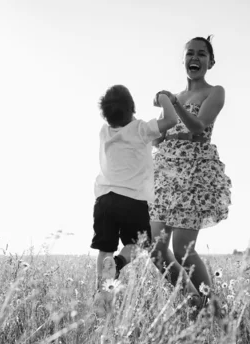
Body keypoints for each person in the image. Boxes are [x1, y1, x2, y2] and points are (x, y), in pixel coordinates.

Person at [91, 84, 201, 315]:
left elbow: (117, 119)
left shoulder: (104, 131)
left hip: (104, 201)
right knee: (138, 244)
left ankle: (103, 296)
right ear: (132, 109)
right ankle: (120, 264)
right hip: (132, 200)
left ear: (106, 114)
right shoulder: (141, 129)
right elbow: (170, 121)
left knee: (104, 249)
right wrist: (163, 99)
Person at [150, 36, 232, 301]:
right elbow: (158, 138)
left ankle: (211, 306)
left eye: (201, 54)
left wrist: (172, 103)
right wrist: (147, 126)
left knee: (183, 247)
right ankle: (192, 302)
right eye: (190, 54)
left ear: (211, 61)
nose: (195, 58)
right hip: (164, 172)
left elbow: (199, 126)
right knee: (155, 247)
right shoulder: (175, 97)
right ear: (183, 59)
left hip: (193, 172)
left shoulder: (214, 91)